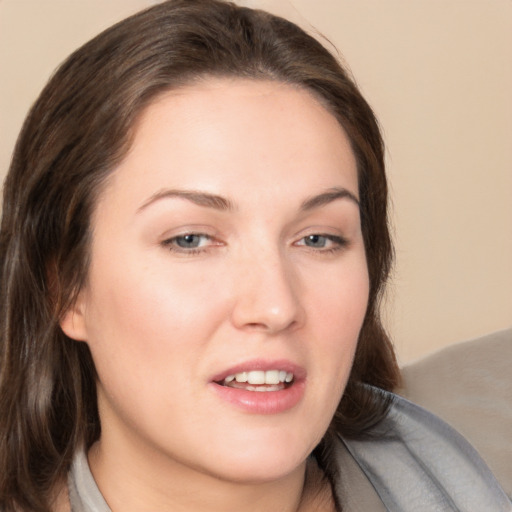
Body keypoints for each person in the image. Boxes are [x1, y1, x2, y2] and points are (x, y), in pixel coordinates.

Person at [0, 1, 509, 511]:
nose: (274, 306)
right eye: (191, 239)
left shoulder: (477, 455)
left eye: (318, 239)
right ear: (66, 288)